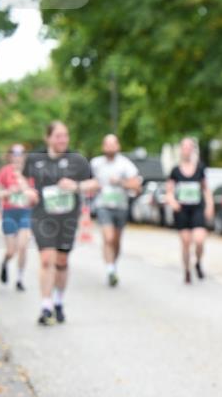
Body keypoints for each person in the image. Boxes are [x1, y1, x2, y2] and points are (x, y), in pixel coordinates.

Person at [24, 122, 97, 326]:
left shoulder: (77, 161)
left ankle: (58, 302)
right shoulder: (34, 159)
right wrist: (27, 191)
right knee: (47, 259)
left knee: (62, 261)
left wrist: (77, 186)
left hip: (67, 218)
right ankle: (45, 306)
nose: (63, 140)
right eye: (58, 136)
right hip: (42, 216)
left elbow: (95, 183)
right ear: (47, 137)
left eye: (65, 136)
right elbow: (20, 179)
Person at [90, 134, 142, 287]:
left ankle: (113, 263)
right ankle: (110, 269)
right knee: (108, 238)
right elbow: (87, 181)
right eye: (107, 144)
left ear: (118, 146)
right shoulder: (96, 164)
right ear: (103, 147)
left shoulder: (125, 165)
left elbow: (136, 186)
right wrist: (93, 186)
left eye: (113, 144)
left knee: (116, 241)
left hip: (120, 206)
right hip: (103, 205)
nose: (110, 147)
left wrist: (120, 182)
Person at [165, 137, 214, 284]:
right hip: (182, 210)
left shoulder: (200, 169)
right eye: (184, 147)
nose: (186, 150)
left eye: (189, 147)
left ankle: (198, 262)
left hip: (197, 208)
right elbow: (169, 191)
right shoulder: (175, 171)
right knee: (186, 242)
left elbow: (206, 190)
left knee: (199, 240)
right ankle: (186, 270)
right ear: (181, 150)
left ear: (193, 150)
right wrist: (172, 202)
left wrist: (210, 205)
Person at [0, 144, 35, 290]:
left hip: (25, 212)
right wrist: (8, 192)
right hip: (9, 212)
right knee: (12, 251)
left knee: (23, 246)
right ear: (11, 156)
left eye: (21, 154)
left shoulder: (30, 172)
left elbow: (34, 193)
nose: (18, 157)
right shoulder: (4, 172)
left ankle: (19, 278)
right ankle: (5, 262)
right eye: (15, 154)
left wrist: (22, 184)